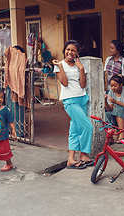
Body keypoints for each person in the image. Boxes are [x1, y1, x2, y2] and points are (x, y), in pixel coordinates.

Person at [53, 40, 94, 169]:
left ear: (77, 53)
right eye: (68, 49)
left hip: (82, 98)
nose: (70, 52)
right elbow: (64, 83)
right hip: (69, 100)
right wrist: (60, 66)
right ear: (64, 50)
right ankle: (83, 155)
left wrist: (81, 68)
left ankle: (71, 159)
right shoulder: (59, 65)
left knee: (75, 130)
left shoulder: (79, 65)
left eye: (73, 50)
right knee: (88, 127)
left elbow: (82, 84)